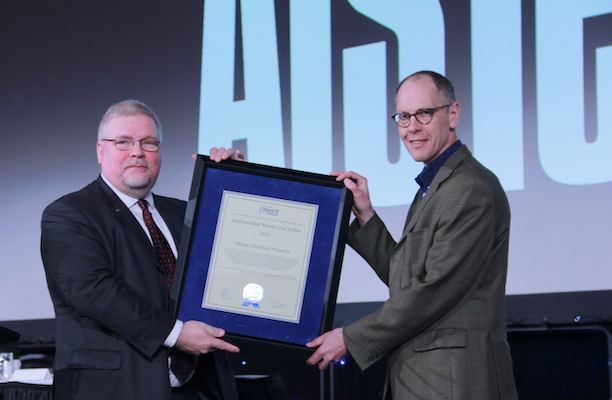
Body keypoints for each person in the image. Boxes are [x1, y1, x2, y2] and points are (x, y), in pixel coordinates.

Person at [306, 71, 518, 399]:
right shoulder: (435, 186)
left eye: (424, 113)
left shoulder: (469, 187)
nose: (412, 127)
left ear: (453, 113)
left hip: (454, 383)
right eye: (403, 117)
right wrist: (366, 215)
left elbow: (432, 291)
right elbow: (406, 279)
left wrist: (351, 338)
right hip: (426, 379)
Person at [41, 100, 244, 400]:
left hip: (204, 387)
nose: (137, 151)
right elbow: (92, 290)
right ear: (100, 151)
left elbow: (233, 258)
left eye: (148, 142)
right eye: (123, 142)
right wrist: (177, 334)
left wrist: (236, 184)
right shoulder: (70, 213)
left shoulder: (184, 214)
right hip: (117, 389)